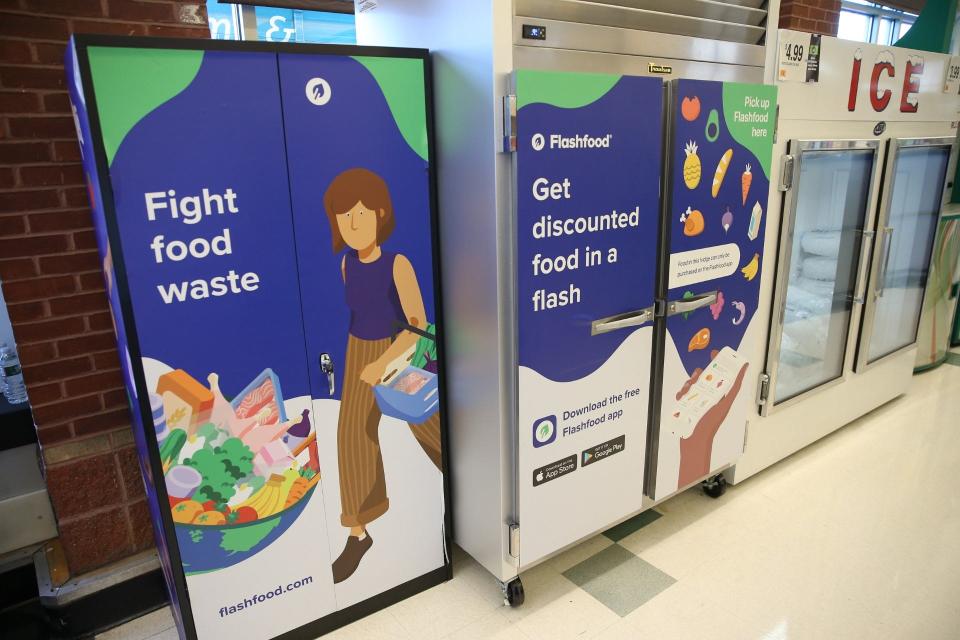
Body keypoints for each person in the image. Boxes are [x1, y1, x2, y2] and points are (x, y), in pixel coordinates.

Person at [323, 168, 442, 584]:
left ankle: (473, 479)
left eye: (359, 214)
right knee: (352, 435)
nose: (352, 225)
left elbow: (418, 323)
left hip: (400, 352)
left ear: (379, 213)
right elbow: (358, 314)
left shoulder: (398, 264)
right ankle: (358, 533)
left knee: (431, 427)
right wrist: (365, 363)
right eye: (343, 216)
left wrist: (385, 361)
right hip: (359, 350)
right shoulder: (346, 264)